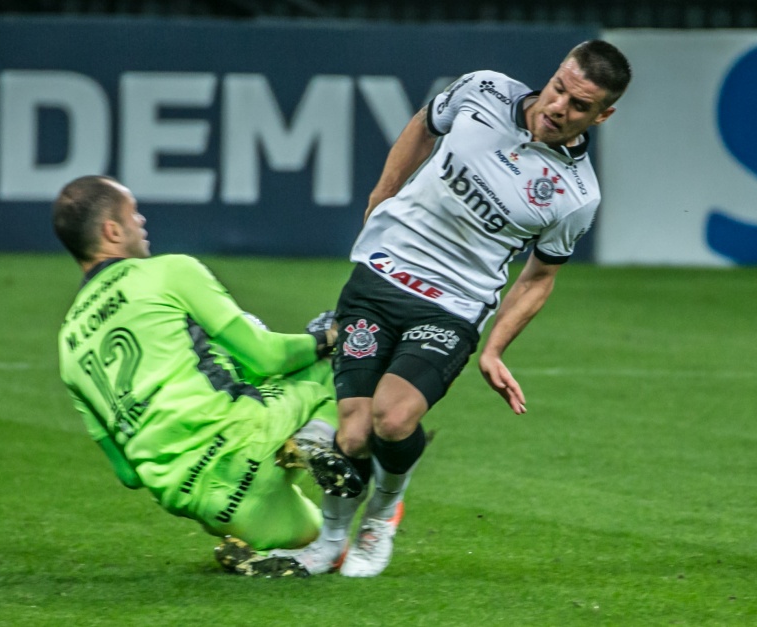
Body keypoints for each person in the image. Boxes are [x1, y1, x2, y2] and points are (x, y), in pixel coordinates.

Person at [233, 39, 632, 578]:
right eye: (561, 87)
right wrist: (383, 193)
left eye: (580, 105)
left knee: (393, 420)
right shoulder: (484, 90)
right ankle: (329, 543)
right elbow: (424, 123)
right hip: (379, 276)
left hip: (452, 305)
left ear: (603, 115)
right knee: (350, 436)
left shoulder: (575, 194)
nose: (560, 106)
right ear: (557, 71)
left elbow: (540, 277)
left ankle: (382, 509)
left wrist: (495, 348)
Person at [52, 175, 363, 566]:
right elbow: (267, 356)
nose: (142, 222)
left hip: (205, 501)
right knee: (352, 350)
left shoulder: (68, 344)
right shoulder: (167, 273)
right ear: (112, 231)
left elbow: (128, 475)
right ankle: (313, 439)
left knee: (317, 546)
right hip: (242, 442)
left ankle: (258, 548)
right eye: (134, 214)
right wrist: (324, 339)